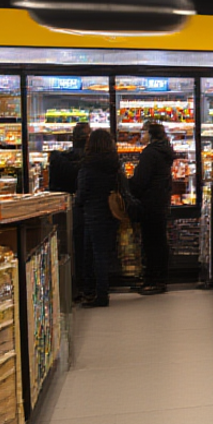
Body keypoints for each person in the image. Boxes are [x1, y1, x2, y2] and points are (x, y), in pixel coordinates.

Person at [75, 129, 121, 307]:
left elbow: (82, 192)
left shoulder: (88, 165)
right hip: (111, 212)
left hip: (93, 213)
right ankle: (98, 291)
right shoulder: (115, 164)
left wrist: (78, 202)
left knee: (92, 254)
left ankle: (98, 294)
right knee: (102, 254)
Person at [129, 121, 175, 295]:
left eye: (143, 132)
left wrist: (127, 186)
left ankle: (153, 281)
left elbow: (141, 180)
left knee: (151, 243)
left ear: (151, 134)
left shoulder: (150, 153)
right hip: (161, 202)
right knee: (159, 241)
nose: (141, 135)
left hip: (150, 203)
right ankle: (157, 279)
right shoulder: (164, 151)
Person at [49, 122, 90, 303]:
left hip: (61, 210)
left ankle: (68, 286)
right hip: (84, 210)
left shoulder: (59, 160)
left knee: (65, 248)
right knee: (83, 249)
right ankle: (83, 285)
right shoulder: (88, 162)